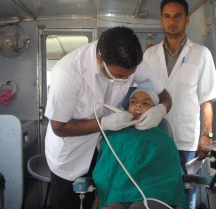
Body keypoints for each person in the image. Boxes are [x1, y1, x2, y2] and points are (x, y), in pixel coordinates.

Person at [44, 26, 172, 209]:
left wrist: (161, 110)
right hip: (70, 154)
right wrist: (104, 123)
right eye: (120, 75)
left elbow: (166, 96)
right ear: (100, 59)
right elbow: (59, 127)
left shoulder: (134, 63)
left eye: (130, 75)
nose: (126, 79)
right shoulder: (68, 72)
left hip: (103, 151)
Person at [143, 0, 216, 209]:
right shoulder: (149, 56)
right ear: (161, 20)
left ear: (187, 19)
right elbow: (142, 96)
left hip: (186, 140)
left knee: (186, 195)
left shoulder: (201, 54)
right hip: (155, 138)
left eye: (177, 16)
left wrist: (207, 135)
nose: (172, 21)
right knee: (156, 192)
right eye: (167, 16)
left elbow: (207, 99)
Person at [92, 80, 187, 209]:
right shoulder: (114, 136)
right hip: (118, 194)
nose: (138, 105)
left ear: (155, 110)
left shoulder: (163, 139)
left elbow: (173, 177)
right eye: (133, 102)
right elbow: (104, 170)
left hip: (154, 193)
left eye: (145, 103)